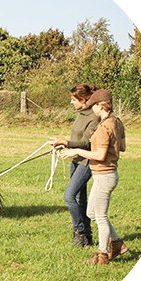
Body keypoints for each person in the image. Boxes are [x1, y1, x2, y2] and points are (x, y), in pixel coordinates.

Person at [61, 89, 129, 265]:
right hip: (106, 174)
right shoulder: (116, 122)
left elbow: (99, 155)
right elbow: (122, 147)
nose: (92, 109)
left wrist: (76, 150)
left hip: (104, 174)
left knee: (100, 216)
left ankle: (103, 254)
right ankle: (117, 243)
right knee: (91, 212)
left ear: (101, 106)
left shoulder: (104, 127)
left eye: (94, 106)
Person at [52, 84, 99, 247]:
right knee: (80, 199)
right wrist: (63, 145)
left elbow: (86, 142)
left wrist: (67, 143)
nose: (72, 103)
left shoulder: (94, 116)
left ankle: (79, 232)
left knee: (69, 196)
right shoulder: (80, 114)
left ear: (84, 99)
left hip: (86, 161)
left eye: (74, 100)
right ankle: (87, 237)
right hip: (75, 160)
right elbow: (76, 138)